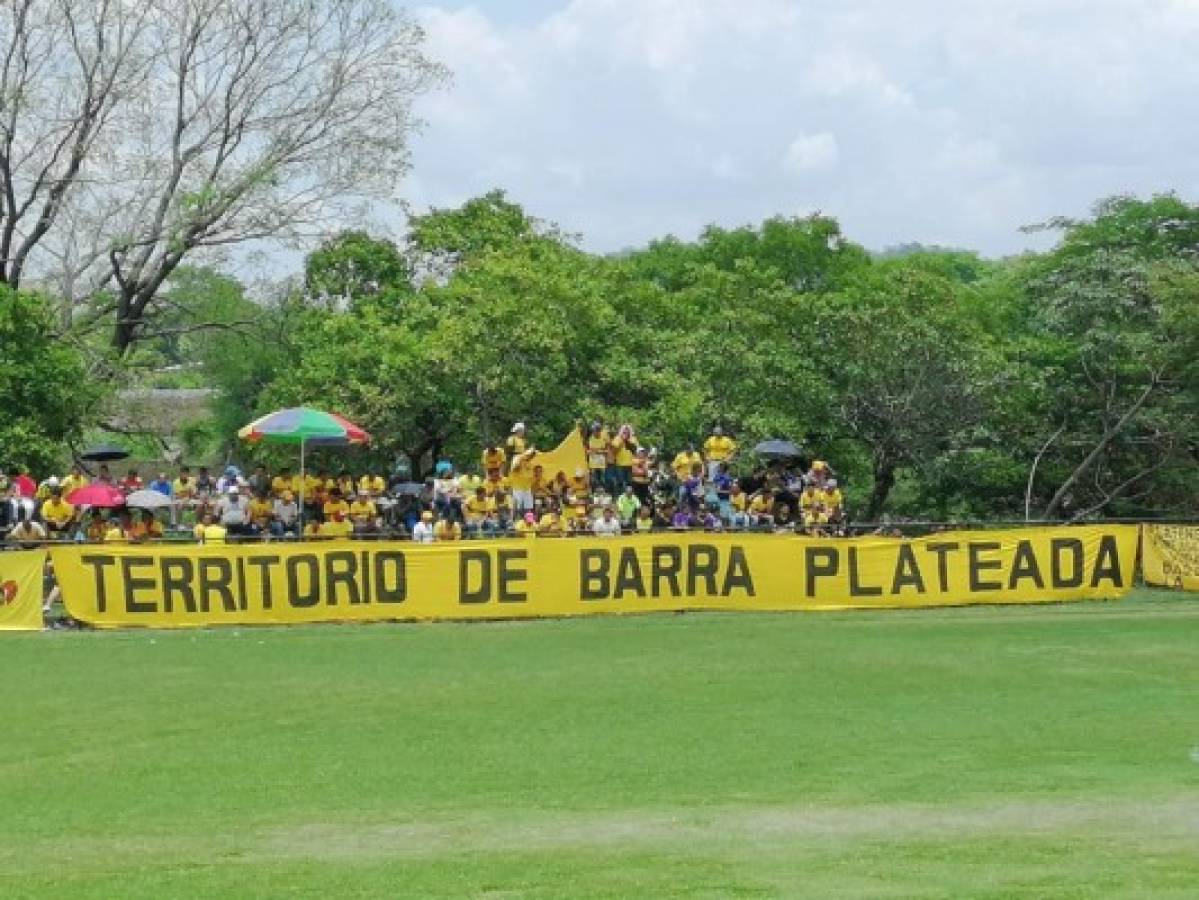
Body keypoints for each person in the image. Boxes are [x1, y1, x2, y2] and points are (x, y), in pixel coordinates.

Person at [586, 422, 609, 488]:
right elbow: (587, 451)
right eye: (594, 430)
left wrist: (597, 451)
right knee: (593, 480)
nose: (595, 432)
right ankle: (594, 493)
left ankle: (603, 493)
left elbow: (607, 451)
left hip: (601, 464)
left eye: (597, 430)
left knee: (602, 480)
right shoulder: (590, 438)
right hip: (593, 464)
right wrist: (596, 451)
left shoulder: (604, 439)